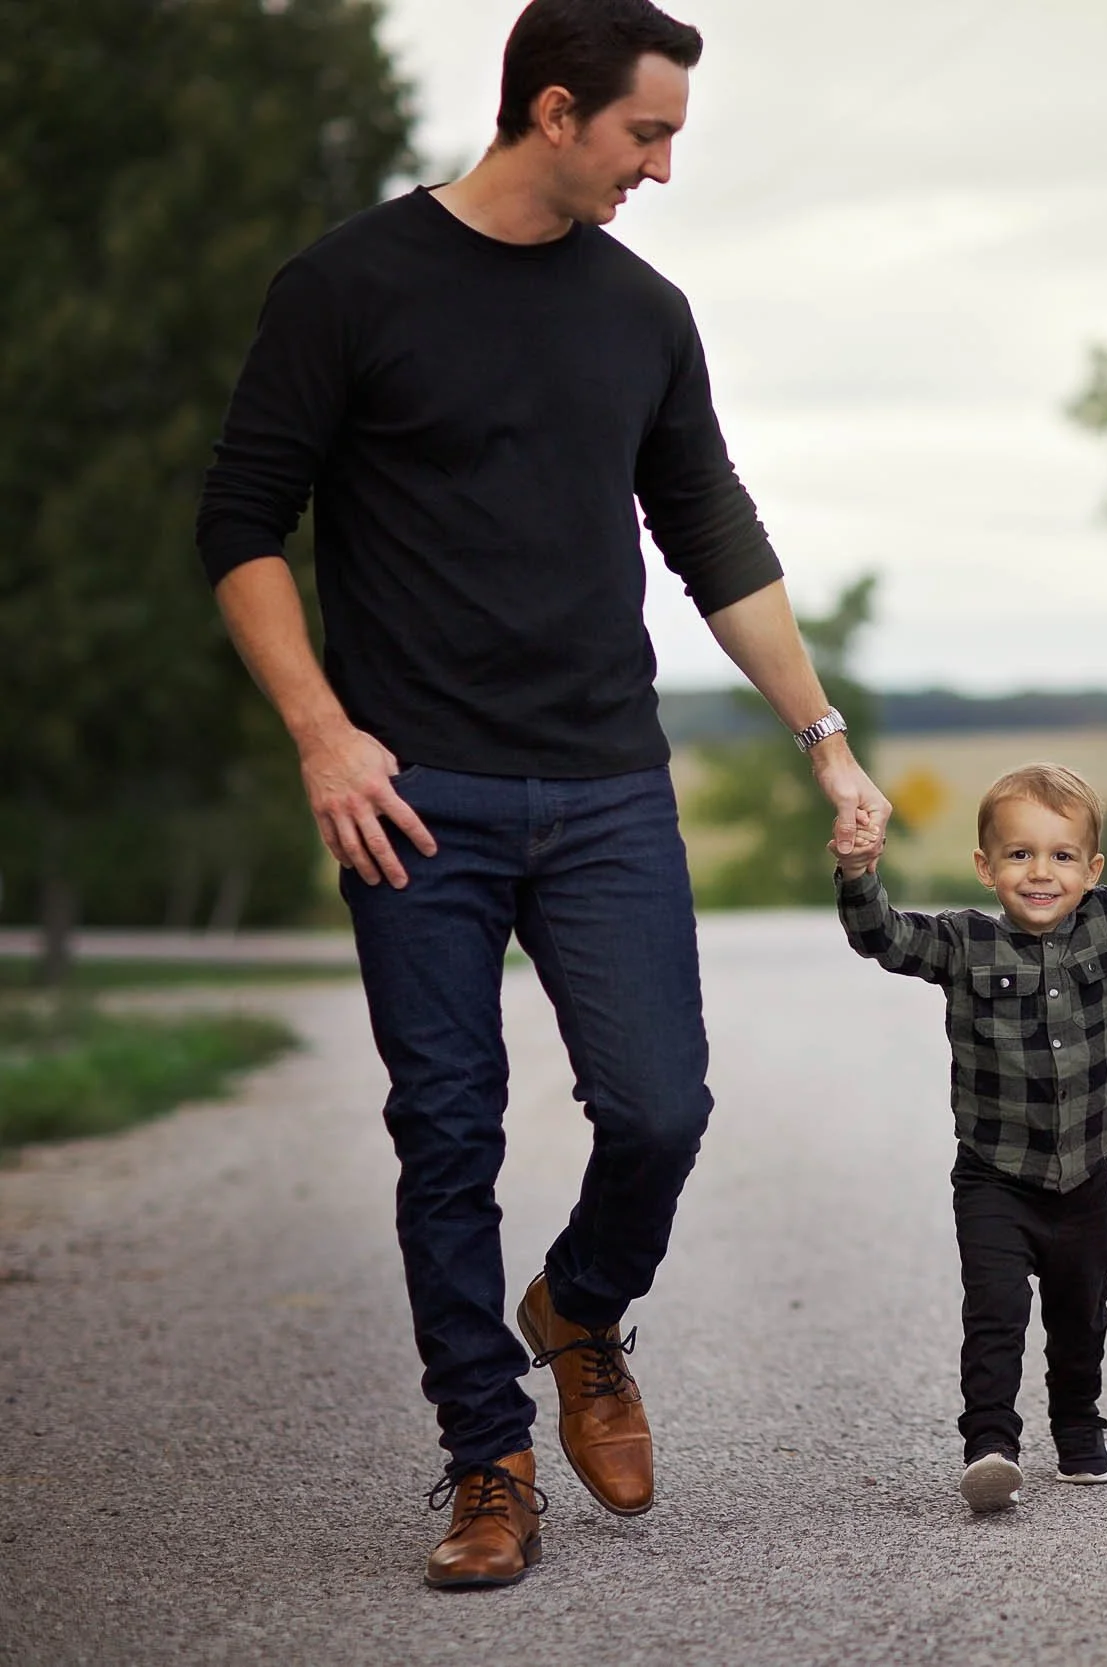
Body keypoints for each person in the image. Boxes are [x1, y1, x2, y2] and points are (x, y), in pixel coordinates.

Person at [194, 0, 890, 1588]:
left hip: (602, 786)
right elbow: (240, 525)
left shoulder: (643, 313)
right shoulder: (346, 287)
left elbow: (714, 536)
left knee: (661, 1103)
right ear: (556, 110)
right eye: (647, 135)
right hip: (409, 793)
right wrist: (320, 730)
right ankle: (486, 1457)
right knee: (447, 1127)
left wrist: (825, 736)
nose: (661, 167)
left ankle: (580, 1301)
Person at [833, 765, 1107, 1512]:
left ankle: (1079, 1424)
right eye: (1019, 854)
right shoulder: (964, 944)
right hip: (994, 1175)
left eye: (1061, 855)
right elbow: (882, 937)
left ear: (1092, 870)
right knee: (995, 1310)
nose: (1040, 871)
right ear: (985, 867)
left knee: (1081, 1309)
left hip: (1084, 1176)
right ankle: (990, 1445)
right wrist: (859, 870)